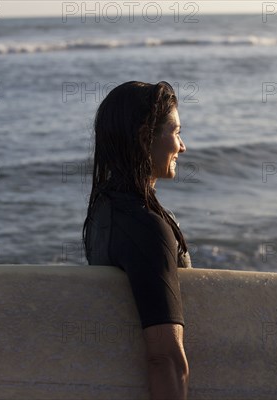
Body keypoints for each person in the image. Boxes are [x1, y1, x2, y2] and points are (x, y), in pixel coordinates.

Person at [82, 81, 191, 399]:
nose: (182, 146)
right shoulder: (145, 227)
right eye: (176, 132)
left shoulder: (103, 212)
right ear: (146, 137)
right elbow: (166, 359)